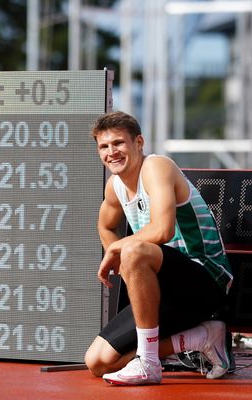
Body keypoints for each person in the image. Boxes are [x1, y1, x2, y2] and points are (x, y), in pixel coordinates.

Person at [84, 111, 233, 386]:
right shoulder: (114, 187)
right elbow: (105, 225)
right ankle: (203, 337)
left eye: (118, 143)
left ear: (138, 142)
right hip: (163, 291)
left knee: (134, 250)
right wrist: (112, 251)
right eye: (104, 146)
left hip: (206, 279)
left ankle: (149, 363)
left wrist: (119, 251)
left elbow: (162, 230)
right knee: (98, 362)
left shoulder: (156, 167)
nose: (111, 152)